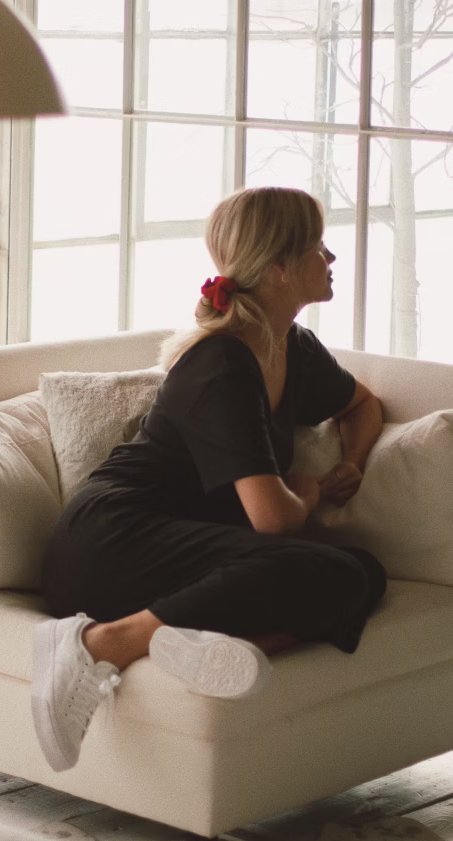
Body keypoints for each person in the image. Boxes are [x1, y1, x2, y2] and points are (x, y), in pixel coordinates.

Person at [30, 186, 386, 774]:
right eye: (317, 246)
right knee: (325, 569)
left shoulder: (292, 347)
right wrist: (311, 492)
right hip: (112, 544)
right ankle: (101, 642)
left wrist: (353, 464)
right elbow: (273, 520)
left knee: (363, 572)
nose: (330, 258)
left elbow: (363, 405)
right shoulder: (221, 363)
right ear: (278, 267)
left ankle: (214, 645)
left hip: (186, 554)